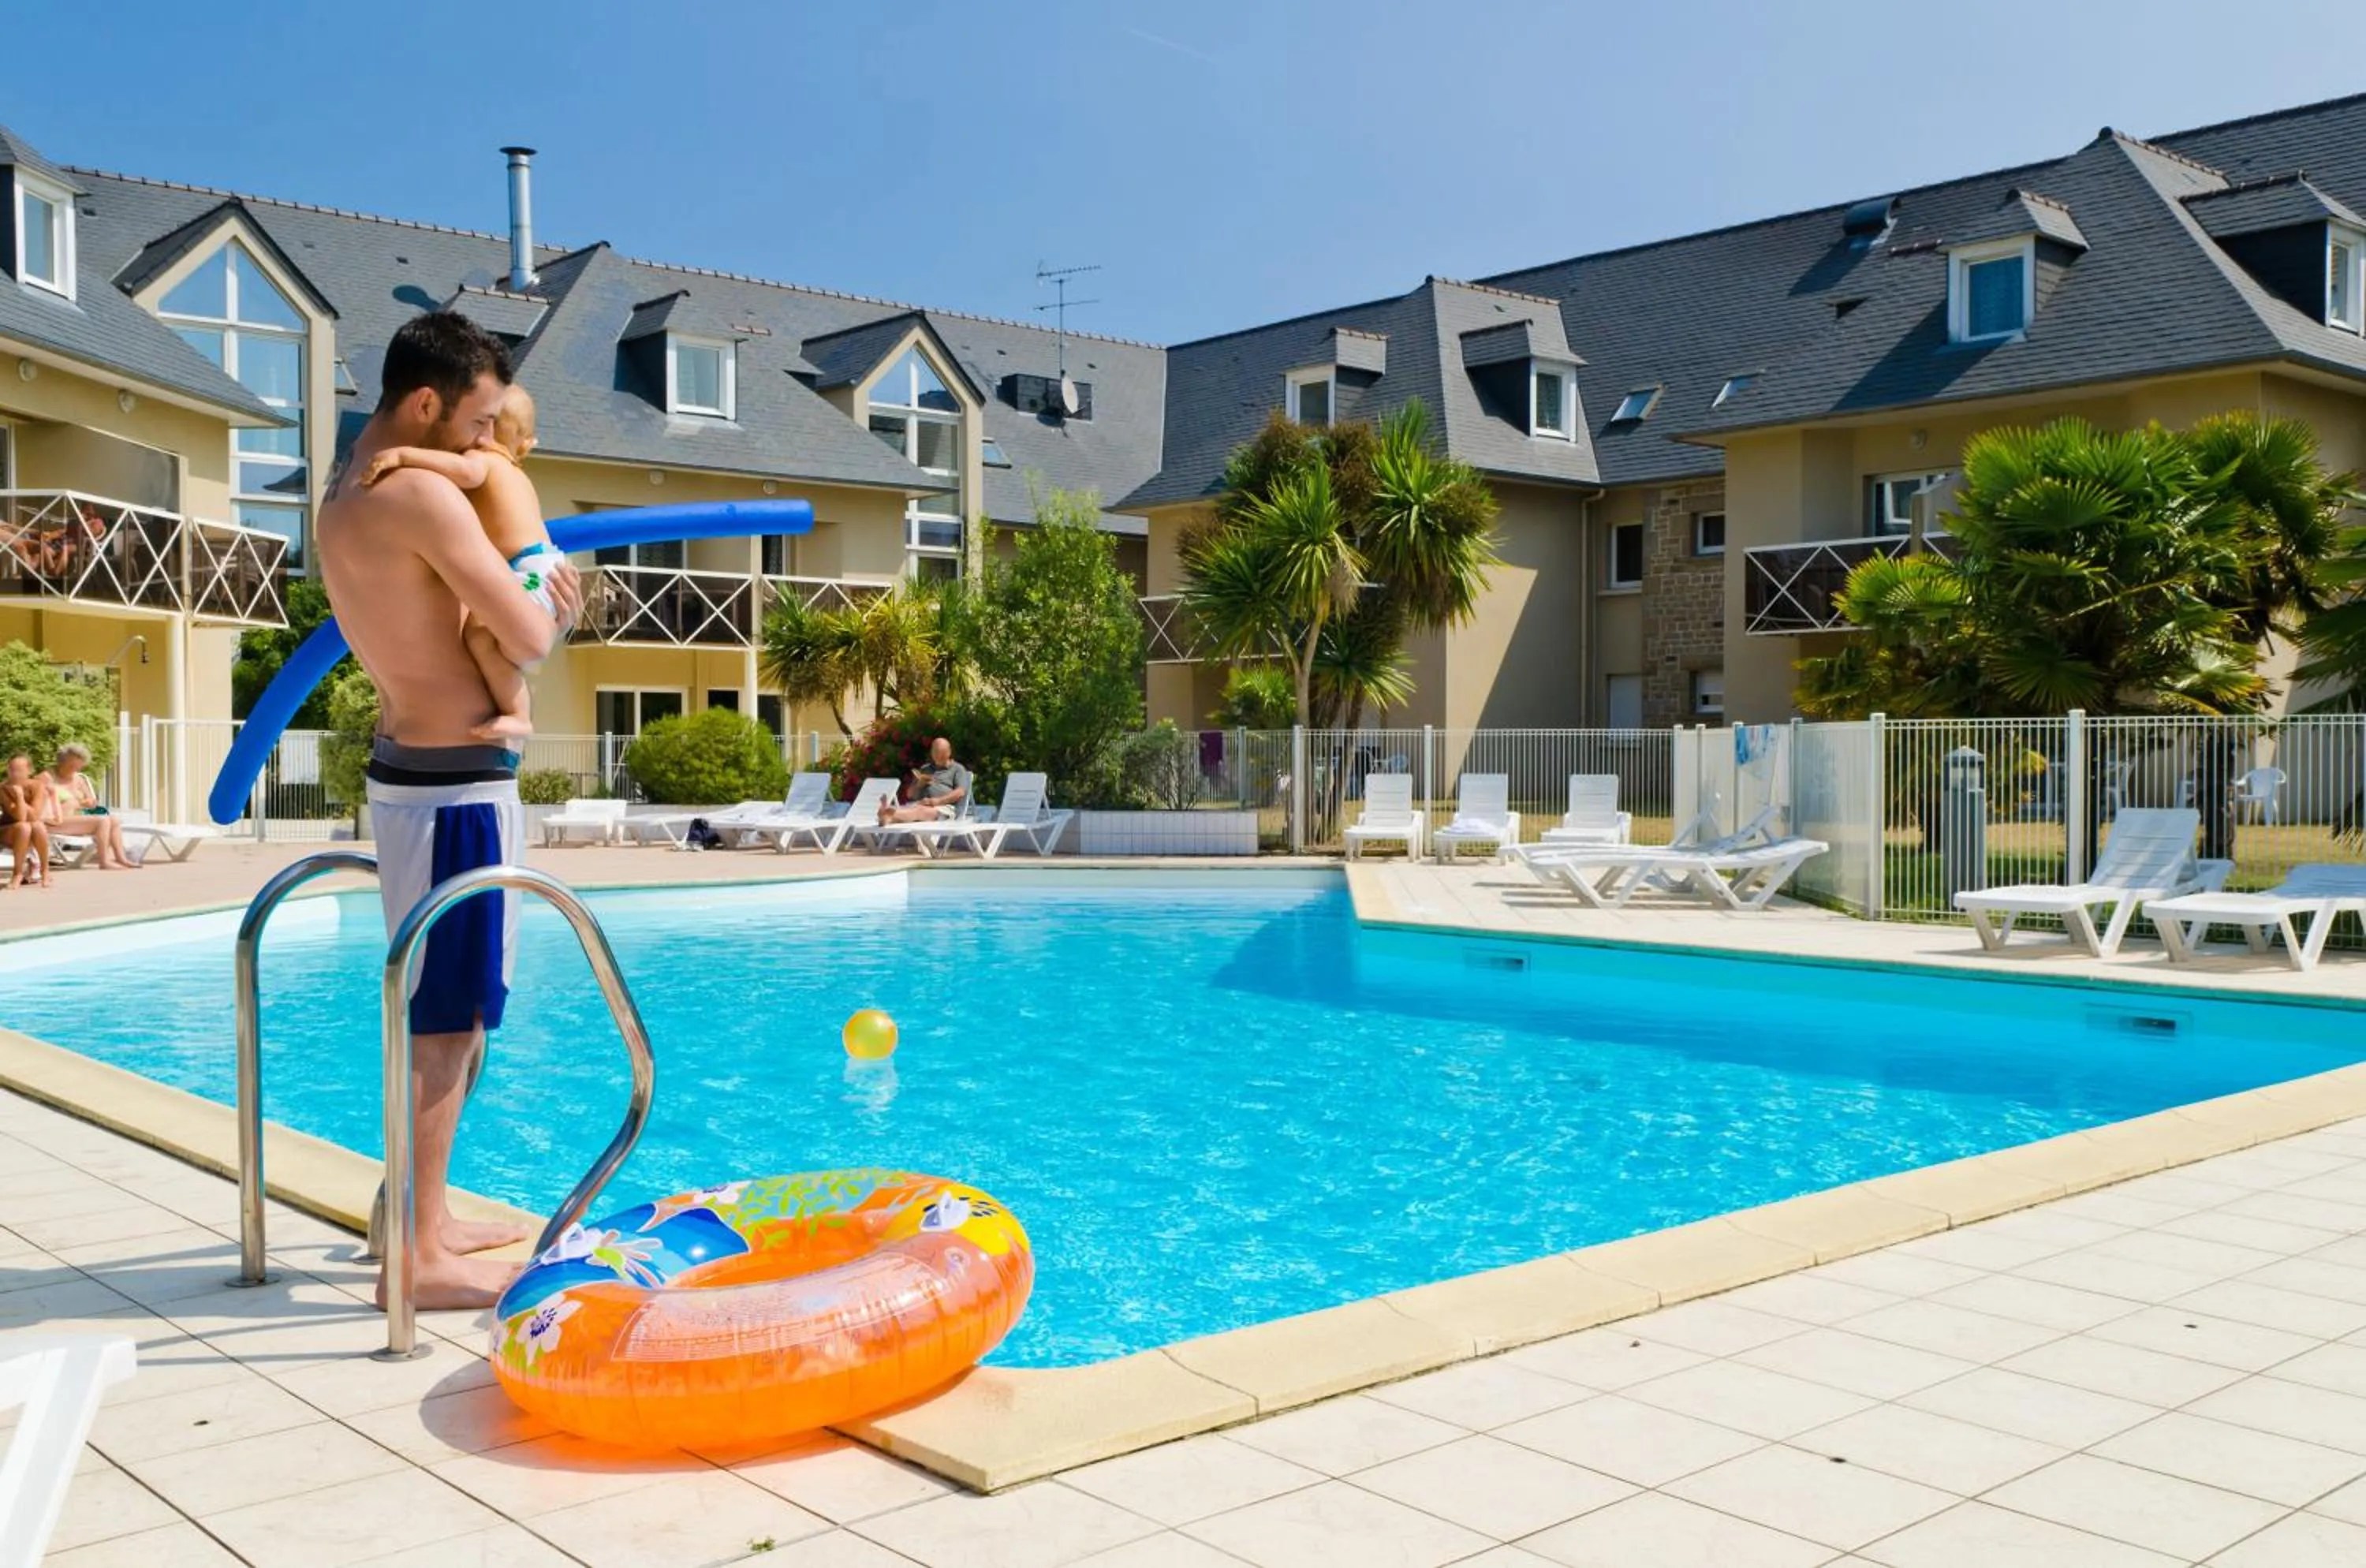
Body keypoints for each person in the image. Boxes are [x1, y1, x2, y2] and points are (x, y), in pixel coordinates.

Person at [317, 311, 582, 1311]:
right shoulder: (423, 492)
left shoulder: (346, 485)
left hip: (414, 772)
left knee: (447, 1013)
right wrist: (554, 601)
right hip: (455, 789)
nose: (485, 441)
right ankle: (418, 1257)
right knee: (448, 1022)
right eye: (475, 420)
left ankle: (416, 1219)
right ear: (425, 403)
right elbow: (529, 632)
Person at [357, 384, 561, 742]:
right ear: (526, 445)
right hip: (540, 564)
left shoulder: (485, 460)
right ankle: (516, 708)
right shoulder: (518, 476)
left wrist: (404, 456)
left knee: (481, 636)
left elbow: (465, 472)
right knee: (495, 637)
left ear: (484, 429)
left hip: (527, 569)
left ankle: (518, 714)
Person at [40, 744, 140, 870]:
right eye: (71, 765)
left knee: (114, 820)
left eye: (78, 766)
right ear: (62, 761)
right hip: (55, 821)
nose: (74, 769)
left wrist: (88, 802)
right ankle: (104, 861)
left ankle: (121, 858)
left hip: (75, 820)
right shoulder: (47, 777)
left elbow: (92, 802)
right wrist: (72, 803)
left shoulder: (79, 779)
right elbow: (39, 802)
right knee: (102, 821)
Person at [878, 737, 971, 824]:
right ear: (931, 752)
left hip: (944, 808)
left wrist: (937, 801)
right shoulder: (925, 769)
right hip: (921, 804)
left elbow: (960, 792)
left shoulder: (957, 769)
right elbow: (910, 794)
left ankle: (888, 814)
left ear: (949, 752)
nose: (938, 756)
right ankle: (888, 817)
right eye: (935, 752)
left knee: (919, 811)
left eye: (941, 753)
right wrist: (919, 785)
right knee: (914, 809)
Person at [2, 756, 53, 888]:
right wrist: (19, 796)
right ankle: (17, 873)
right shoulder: (3, 789)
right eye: (11, 769)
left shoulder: (37, 786)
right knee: (24, 827)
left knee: (38, 826)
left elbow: (35, 816)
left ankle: (45, 870)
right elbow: (20, 817)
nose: (14, 774)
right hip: (8, 831)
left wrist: (20, 798)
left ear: (29, 771)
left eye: (19, 770)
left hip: (33, 832)